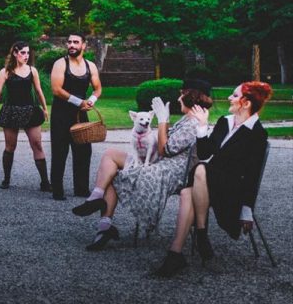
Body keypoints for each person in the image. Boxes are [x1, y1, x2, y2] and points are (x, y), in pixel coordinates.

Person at [72, 80, 212, 251]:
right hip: (159, 161)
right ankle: (96, 198)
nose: (178, 98)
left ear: (191, 97)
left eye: (182, 94)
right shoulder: (188, 119)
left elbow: (164, 150)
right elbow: (166, 143)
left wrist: (162, 121)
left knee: (114, 176)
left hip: (167, 171)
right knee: (110, 154)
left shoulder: (193, 123)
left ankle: (104, 225)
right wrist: (163, 123)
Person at [154, 81, 271, 277]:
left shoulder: (257, 133)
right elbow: (205, 152)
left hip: (230, 189)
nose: (229, 98)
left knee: (199, 171)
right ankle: (176, 253)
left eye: (235, 95)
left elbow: (252, 174)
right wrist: (202, 127)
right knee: (189, 189)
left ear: (246, 103)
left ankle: (200, 234)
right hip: (208, 182)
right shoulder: (225, 122)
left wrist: (247, 209)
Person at [0, 41, 50, 191]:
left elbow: (38, 91)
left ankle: (45, 183)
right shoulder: (5, 72)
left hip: (30, 110)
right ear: (15, 53)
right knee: (10, 146)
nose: (26, 56)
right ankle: (6, 179)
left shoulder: (32, 70)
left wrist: (45, 108)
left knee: (37, 145)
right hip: (11, 111)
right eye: (23, 52)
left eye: (28, 53)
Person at [49, 34, 102, 200]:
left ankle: (81, 189)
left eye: (76, 42)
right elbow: (56, 90)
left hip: (80, 114)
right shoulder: (60, 63)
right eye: (69, 42)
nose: (71, 45)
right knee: (60, 151)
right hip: (61, 113)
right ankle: (57, 190)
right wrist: (79, 102)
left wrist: (91, 101)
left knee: (84, 151)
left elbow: (98, 88)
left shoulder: (90, 66)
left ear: (84, 45)